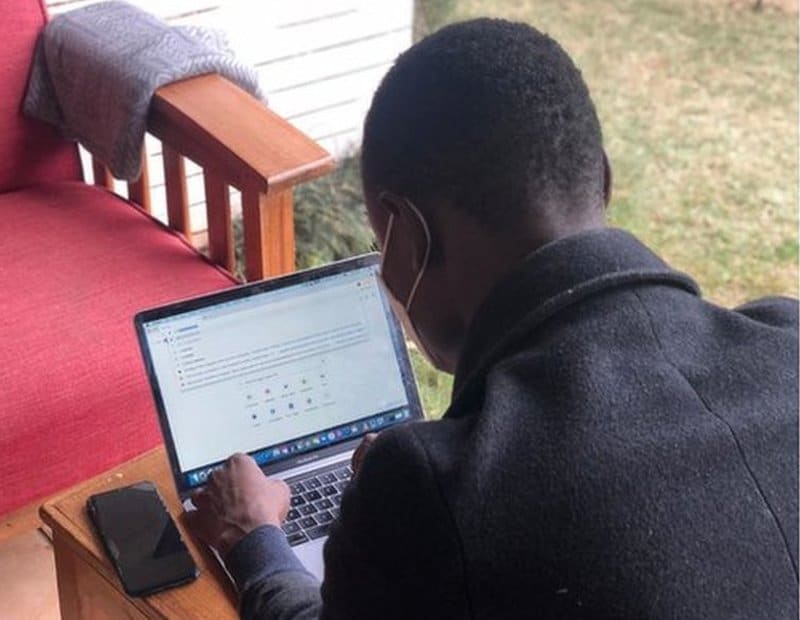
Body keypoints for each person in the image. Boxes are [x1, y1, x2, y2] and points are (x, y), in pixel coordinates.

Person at [187, 18, 799, 619]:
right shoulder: (788, 341)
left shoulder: (432, 489)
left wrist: (255, 539)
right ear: (604, 181)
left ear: (411, 240)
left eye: (381, 244)